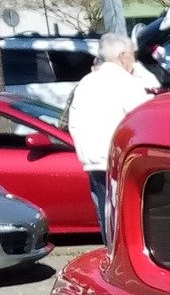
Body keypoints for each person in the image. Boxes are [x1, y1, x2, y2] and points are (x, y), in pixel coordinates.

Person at [66, 32, 153, 240]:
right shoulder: (127, 83)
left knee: (106, 218)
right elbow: (143, 121)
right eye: (133, 55)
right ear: (122, 56)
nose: (134, 61)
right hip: (120, 161)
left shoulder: (86, 83)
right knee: (127, 219)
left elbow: (74, 123)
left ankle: (110, 253)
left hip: (93, 161)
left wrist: (85, 152)